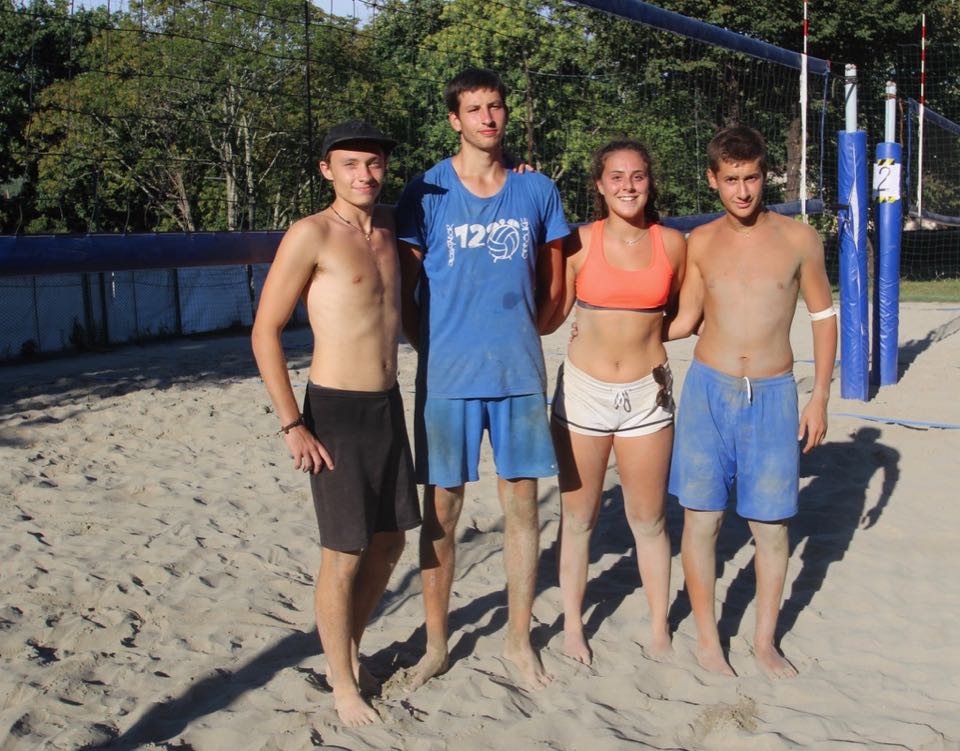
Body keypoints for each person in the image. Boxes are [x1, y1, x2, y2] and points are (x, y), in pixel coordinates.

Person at [394, 67, 568, 691]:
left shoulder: (536, 189)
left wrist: (527, 330)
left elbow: (557, 282)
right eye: (474, 109)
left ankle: (518, 639)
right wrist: (432, 346)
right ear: (455, 119)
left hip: (518, 372)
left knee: (521, 506)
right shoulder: (425, 192)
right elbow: (404, 289)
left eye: (495, 106)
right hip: (448, 377)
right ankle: (436, 644)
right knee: (442, 510)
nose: (487, 118)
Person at [251, 120, 421, 726]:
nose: (364, 174)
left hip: (387, 403)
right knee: (343, 552)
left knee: (391, 541)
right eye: (350, 164)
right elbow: (265, 331)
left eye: (373, 164)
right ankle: (343, 684)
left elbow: (465, 186)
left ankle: (346, 652)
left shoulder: (393, 228)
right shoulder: (312, 233)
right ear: (327, 170)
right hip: (335, 410)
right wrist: (292, 424)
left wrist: (515, 170)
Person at [666, 125, 838, 679]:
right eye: (731, 180)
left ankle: (764, 642)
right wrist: (615, 328)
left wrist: (819, 397)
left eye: (752, 178)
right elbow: (685, 319)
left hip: (772, 393)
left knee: (771, 526)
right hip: (708, 391)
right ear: (712, 179)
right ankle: (708, 640)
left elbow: (823, 317)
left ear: (766, 176)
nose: (742, 191)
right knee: (702, 520)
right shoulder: (699, 242)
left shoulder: (799, 239)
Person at [542, 140, 686, 665]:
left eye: (638, 176)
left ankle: (659, 627)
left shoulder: (673, 243)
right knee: (578, 519)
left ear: (650, 182)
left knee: (649, 520)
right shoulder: (579, 242)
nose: (628, 186)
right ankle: (573, 627)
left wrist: (638, 330)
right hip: (584, 393)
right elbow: (550, 313)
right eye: (617, 177)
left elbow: (686, 314)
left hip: (648, 393)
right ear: (600, 186)